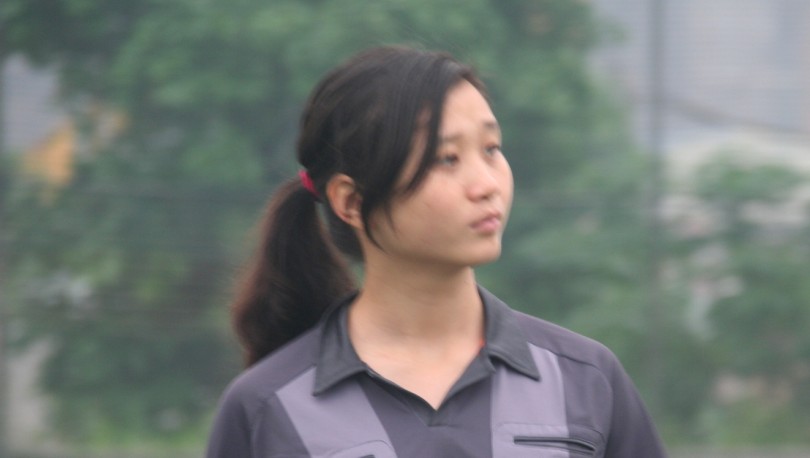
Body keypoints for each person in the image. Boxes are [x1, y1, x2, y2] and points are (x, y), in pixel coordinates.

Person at [206, 45, 667, 458]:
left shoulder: (585, 379)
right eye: (447, 159)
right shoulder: (265, 409)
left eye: (491, 149)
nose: (487, 185)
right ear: (351, 202)